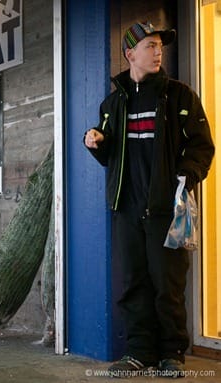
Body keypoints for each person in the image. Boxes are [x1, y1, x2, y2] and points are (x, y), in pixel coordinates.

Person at [84, 21, 215, 378]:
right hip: (126, 210)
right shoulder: (113, 103)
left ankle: (172, 354)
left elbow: (202, 145)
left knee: (167, 285)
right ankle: (139, 352)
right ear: (130, 54)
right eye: (150, 46)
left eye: (160, 46)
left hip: (165, 209)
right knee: (133, 283)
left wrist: (186, 176)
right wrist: (95, 140)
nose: (158, 52)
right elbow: (111, 152)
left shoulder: (180, 96)